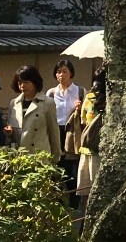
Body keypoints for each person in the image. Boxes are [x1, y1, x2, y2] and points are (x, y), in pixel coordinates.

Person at [4, 65, 61, 163]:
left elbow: (54, 133)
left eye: (26, 82)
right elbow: (12, 131)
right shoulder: (13, 103)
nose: (22, 85)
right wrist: (9, 132)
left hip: (39, 158)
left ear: (35, 82)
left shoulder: (48, 103)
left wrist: (55, 158)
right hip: (19, 158)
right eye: (20, 82)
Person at [47, 59, 83, 209]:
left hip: (71, 132)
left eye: (65, 71)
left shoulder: (80, 91)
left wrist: (80, 108)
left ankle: (74, 202)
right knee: (56, 166)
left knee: (71, 167)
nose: (61, 74)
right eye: (58, 71)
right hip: (55, 130)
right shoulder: (51, 92)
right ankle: (58, 201)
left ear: (71, 73)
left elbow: (87, 115)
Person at [76, 67, 106, 228]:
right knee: (98, 191)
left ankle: (84, 226)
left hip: (87, 147)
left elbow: (82, 122)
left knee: (85, 194)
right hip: (101, 150)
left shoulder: (88, 98)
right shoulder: (113, 99)